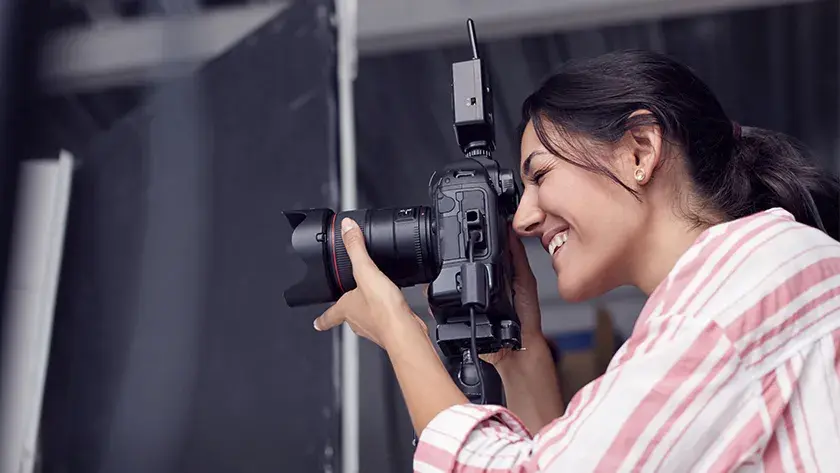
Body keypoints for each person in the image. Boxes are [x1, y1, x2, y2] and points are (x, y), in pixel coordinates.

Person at [313, 50, 840, 471]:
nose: (521, 220)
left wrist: (398, 330)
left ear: (639, 150)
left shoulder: (731, 300)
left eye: (540, 176)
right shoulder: (746, 281)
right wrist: (523, 359)